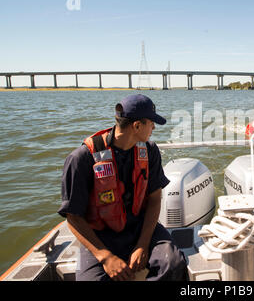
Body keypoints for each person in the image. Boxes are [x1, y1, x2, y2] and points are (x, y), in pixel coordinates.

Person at [58, 94, 187, 281]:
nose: (153, 127)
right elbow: (73, 217)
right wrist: (105, 256)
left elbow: (154, 199)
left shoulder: (150, 151)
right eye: (151, 123)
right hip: (100, 237)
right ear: (136, 126)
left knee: (173, 264)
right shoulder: (81, 159)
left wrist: (143, 244)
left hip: (140, 229)